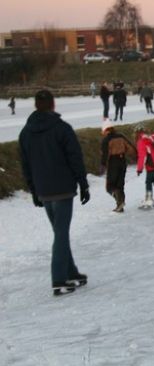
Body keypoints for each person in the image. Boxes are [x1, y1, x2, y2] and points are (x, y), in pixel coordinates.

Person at [19, 90, 91, 296]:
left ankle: (70, 272)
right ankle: (58, 279)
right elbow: (75, 157)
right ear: (53, 104)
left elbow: (25, 164)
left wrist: (34, 189)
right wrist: (83, 183)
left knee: (60, 232)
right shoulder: (62, 128)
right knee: (61, 233)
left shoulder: (25, 133)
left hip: (43, 189)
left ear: (35, 105)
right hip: (62, 188)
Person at [100, 120, 136, 213]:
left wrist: (103, 165)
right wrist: (136, 157)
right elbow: (131, 148)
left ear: (106, 130)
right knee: (120, 184)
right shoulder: (121, 136)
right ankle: (120, 204)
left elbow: (105, 154)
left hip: (113, 162)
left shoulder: (106, 140)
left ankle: (119, 201)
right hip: (122, 161)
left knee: (110, 186)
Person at [135, 124, 154, 209]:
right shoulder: (152, 138)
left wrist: (139, 169)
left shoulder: (141, 141)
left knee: (148, 182)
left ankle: (148, 201)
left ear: (137, 133)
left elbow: (142, 156)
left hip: (152, 164)